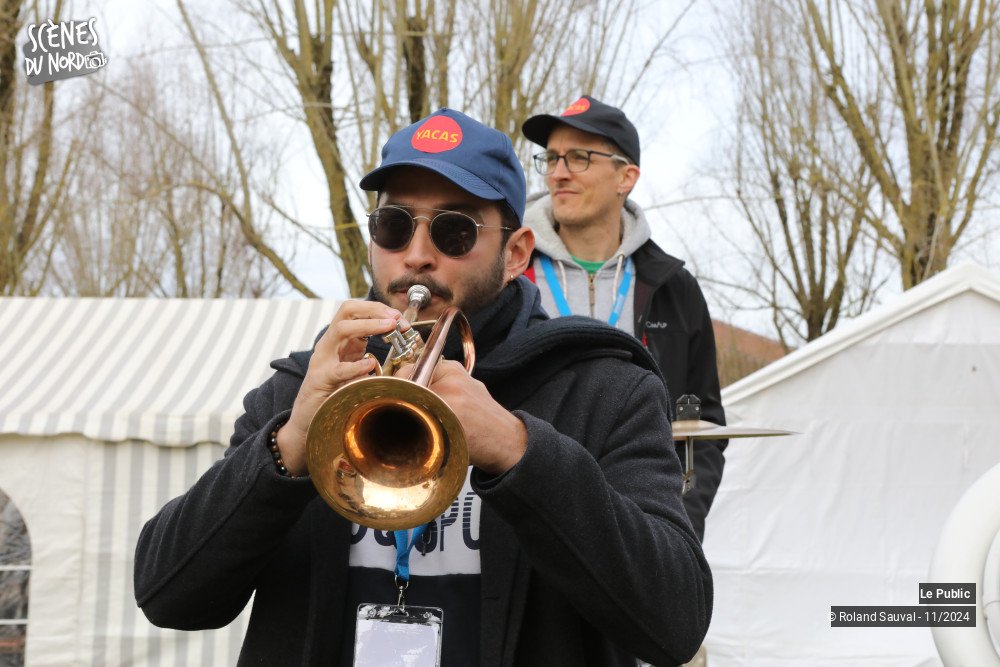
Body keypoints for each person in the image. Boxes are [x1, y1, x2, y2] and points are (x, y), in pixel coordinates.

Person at [134, 108, 712, 666]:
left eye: (454, 231)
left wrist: (520, 451)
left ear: (515, 254)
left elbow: (676, 622)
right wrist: (287, 447)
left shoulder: (604, 387)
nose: (415, 255)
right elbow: (167, 595)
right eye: (394, 225)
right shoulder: (305, 387)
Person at [521, 95, 727, 542]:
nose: (558, 172)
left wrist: (680, 525)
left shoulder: (673, 287)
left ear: (626, 177)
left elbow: (704, 427)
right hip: (523, 523)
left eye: (579, 157)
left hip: (636, 537)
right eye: (552, 158)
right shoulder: (507, 272)